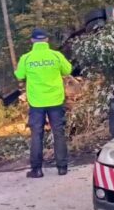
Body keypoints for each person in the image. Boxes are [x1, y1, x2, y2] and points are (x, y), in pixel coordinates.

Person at [15, 28, 73, 178]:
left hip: (37, 102)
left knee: (37, 134)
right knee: (58, 132)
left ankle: (37, 169)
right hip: (55, 99)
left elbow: (19, 75)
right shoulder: (56, 55)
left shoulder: (26, 58)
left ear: (32, 40)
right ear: (47, 40)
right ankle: (62, 167)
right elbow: (68, 70)